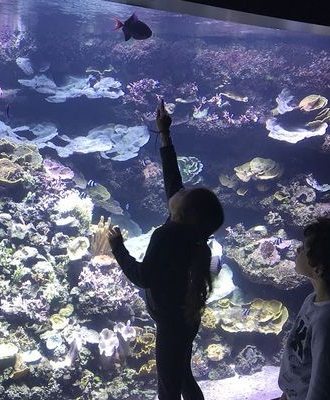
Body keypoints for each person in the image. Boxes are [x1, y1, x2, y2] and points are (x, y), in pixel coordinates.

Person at [107, 99, 224, 400]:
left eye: (182, 196)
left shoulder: (165, 235)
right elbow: (173, 180)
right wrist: (164, 133)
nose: (178, 191)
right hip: (186, 319)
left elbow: (143, 277)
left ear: (180, 213)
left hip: (170, 324)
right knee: (183, 376)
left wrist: (118, 248)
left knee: (168, 387)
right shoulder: (188, 233)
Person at [276, 217, 330, 400]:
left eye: (304, 248)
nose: (297, 249)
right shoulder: (311, 300)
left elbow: (322, 387)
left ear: (319, 269)